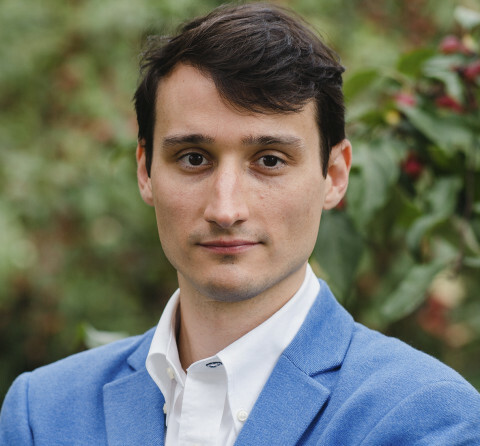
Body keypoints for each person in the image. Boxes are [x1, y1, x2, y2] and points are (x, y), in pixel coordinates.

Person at [1, 2, 479, 445]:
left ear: (334, 176)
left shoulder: (427, 418)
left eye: (269, 160)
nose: (225, 209)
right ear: (145, 171)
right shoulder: (41, 413)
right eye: (193, 158)